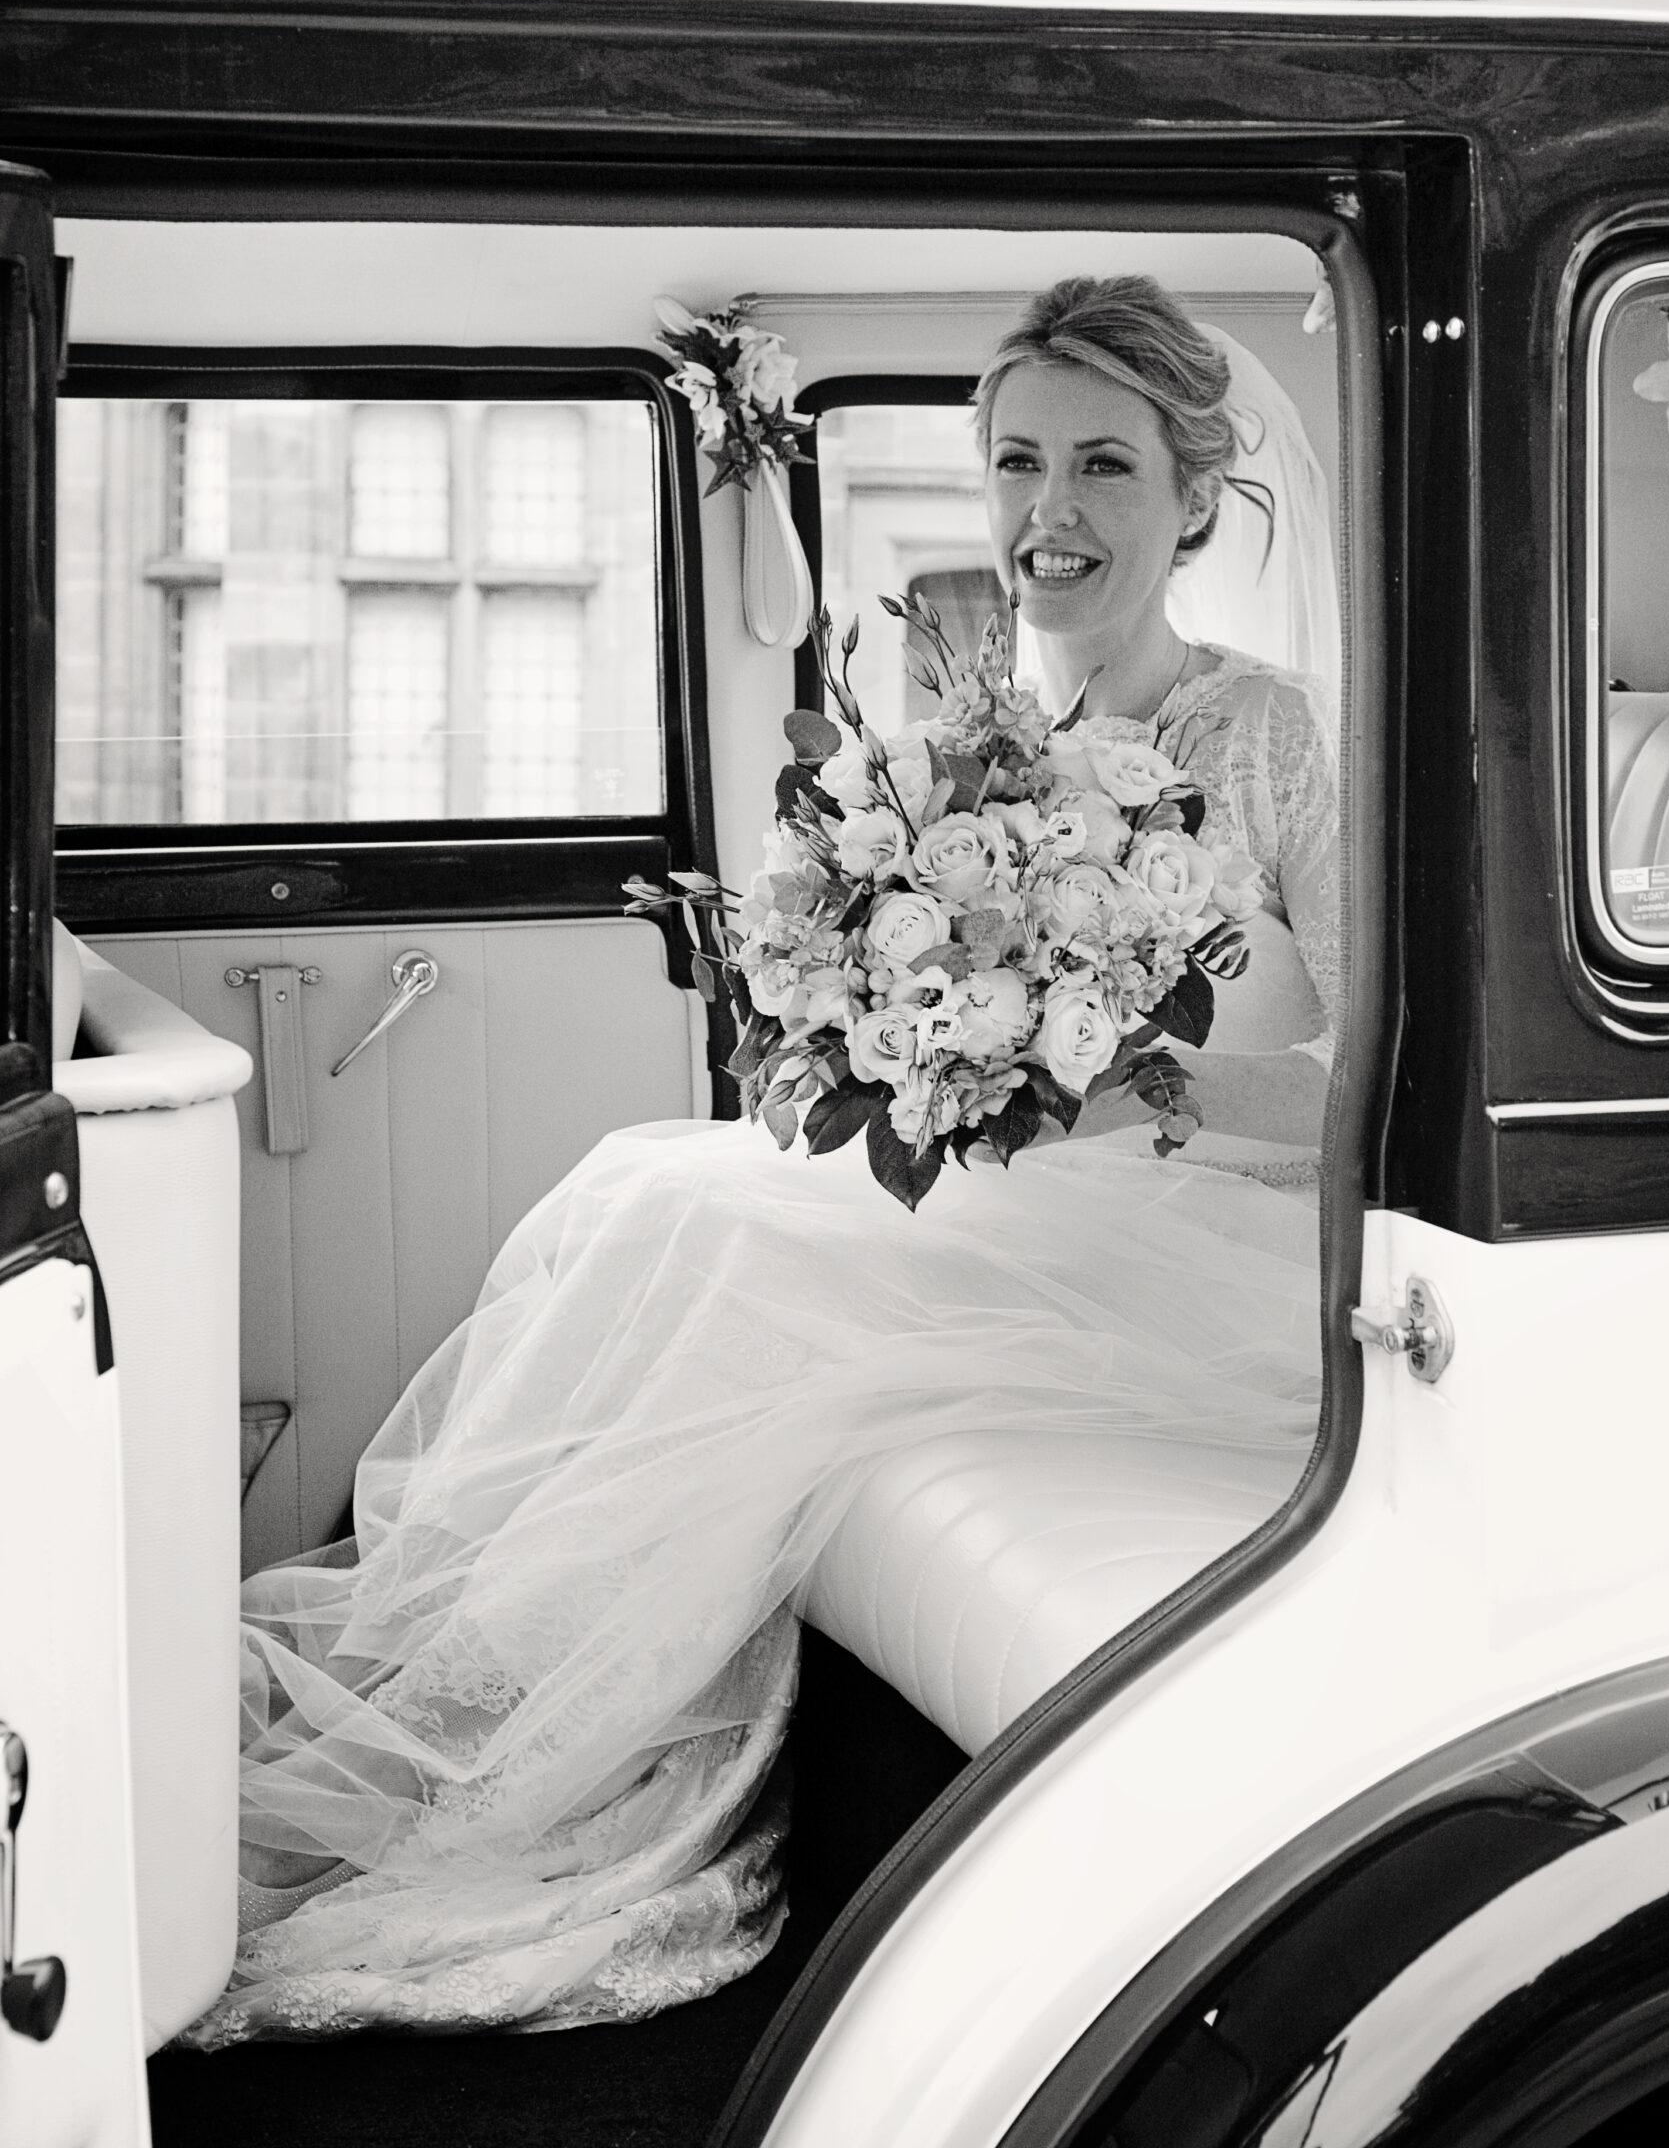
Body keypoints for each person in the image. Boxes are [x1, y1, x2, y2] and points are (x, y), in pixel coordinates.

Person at [184, 274, 1339, 2046]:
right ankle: (460, 1709)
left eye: (1106, 464)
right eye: (1018, 461)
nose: (1049, 509)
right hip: (1034, 1204)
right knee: (651, 1187)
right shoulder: (970, 746)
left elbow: (1376, 1084)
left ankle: (513, 1759)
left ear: (1194, 497)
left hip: (1217, 1239)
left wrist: (1145, 1089)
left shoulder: (1273, 737)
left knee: (709, 1226)